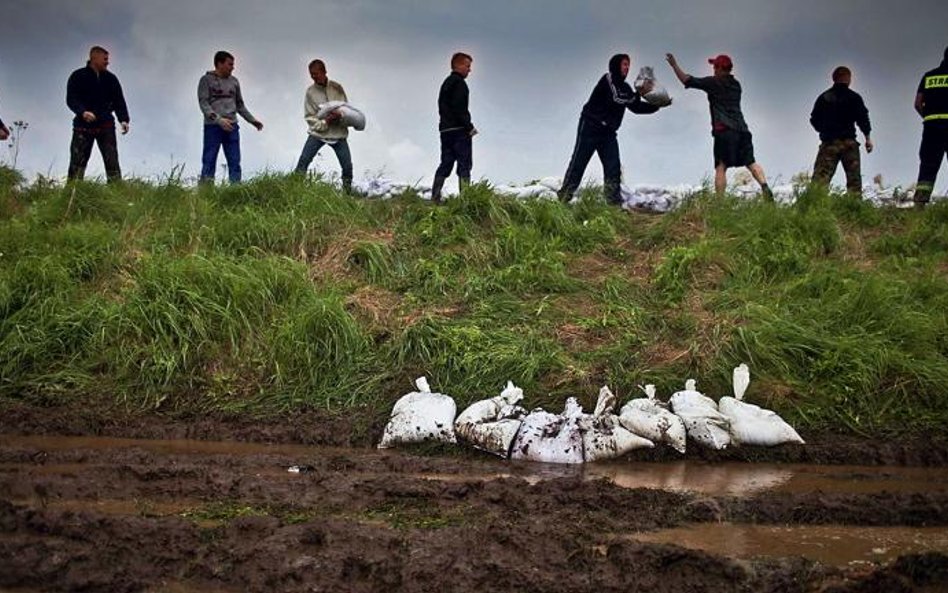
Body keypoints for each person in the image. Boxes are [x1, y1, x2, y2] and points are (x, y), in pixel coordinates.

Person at [558, 53, 663, 205]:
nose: (627, 68)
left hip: (608, 134)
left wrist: (656, 105)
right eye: (624, 64)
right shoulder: (607, 79)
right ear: (616, 65)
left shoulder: (626, 89)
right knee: (578, 163)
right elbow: (617, 98)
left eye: (628, 65)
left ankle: (614, 204)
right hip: (590, 127)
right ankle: (563, 198)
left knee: (613, 167)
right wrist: (637, 94)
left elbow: (636, 107)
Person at [666, 53, 773, 199]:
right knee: (751, 162)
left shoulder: (714, 83)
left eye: (715, 67)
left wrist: (674, 65)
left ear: (720, 68)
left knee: (721, 167)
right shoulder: (737, 85)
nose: (713, 70)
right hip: (742, 130)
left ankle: (720, 203)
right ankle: (765, 187)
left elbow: (686, 80)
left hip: (724, 131)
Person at [197, 51, 264, 184]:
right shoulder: (206, 80)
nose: (232, 67)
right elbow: (204, 104)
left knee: (234, 161)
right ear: (219, 64)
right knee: (209, 160)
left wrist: (252, 120)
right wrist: (219, 120)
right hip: (213, 127)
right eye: (230, 64)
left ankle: (235, 190)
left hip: (232, 126)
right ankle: (206, 191)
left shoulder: (234, 82)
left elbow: (240, 105)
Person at [65, 46, 130, 182]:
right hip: (82, 126)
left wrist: (123, 120)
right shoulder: (78, 76)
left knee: (112, 162)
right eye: (105, 59)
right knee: (77, 163)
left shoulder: (111, 79)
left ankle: (116, 194)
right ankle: (72, 193)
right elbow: (71, 99)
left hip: (106, 125)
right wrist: (82, 112)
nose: (107, 62)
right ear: (94, 58)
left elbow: (119, 100)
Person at [809, 66, 873, 195]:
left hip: (829, 144)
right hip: (849, 144)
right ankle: (854, 208)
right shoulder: (854, 98)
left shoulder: (824, 97)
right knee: (854, 181)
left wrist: (824, 130)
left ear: (834, 79)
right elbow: (863, 119)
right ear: (849, 79)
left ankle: (815, 206)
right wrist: (867, 138)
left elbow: (814, 119)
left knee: (820, 181)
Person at [294, 59, 353, 194]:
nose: (314, 77)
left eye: (316, 74)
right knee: (303, 161)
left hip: (338, 135)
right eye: (311, 75)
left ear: (324, 72)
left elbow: (346, 108)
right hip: (318, 134)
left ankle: (347, 195)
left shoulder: (337, 88)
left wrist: (340, 116)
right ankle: (294, 191)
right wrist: (325, 122)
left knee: (347, 166)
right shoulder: (310, 92)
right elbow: (309, 116)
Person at [431, 52, 476, 204]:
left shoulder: (446, 83)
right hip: (459, 131)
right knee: (464, 165)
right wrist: (469, 127)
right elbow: (460, 109)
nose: (469, 70)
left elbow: (442, 107)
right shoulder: (460, 84)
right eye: (467, 66)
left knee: (446, 163)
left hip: (445, 130)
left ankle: (435, 197)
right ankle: (466, 200)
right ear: (458, 65)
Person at [912, 46, 948, 207]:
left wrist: (928, 117)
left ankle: (920, 203)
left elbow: (918, 104)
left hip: (932, 129)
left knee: (928, 166)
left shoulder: (929, 76)